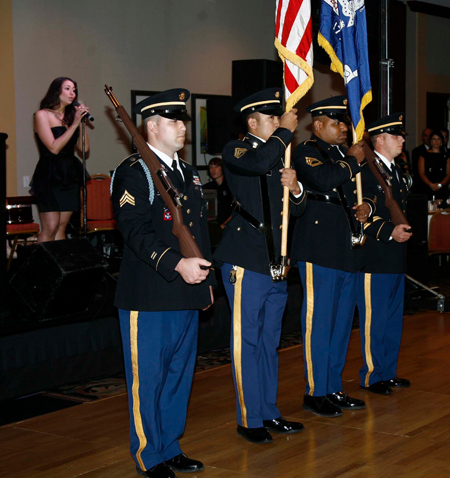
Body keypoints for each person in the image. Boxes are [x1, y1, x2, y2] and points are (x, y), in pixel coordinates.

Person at [111, 89, 214, 478]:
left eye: (183, 120)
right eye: (174, 121)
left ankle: (170, 446)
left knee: (177, 377)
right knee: (148, 380)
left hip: (186, 291)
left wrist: (204, 284)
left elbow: (198, 232)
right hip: (149, 294)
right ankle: (148, 455)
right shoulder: (133, 172)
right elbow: (135, 231)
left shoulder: (187, 173)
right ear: (152, 127)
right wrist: (176, 264)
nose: (183, 127)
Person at [214, 88, 307, 444]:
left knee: (270, 342)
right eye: (272, 118)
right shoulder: (237, 149)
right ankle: (249, 418)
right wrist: (284, 132)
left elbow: (296, 210)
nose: (279, 123)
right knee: (247, 342)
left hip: (276, 261)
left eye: (278, 118)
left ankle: (269, 410)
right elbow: (255, 164)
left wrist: (296, 188)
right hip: (246, 259)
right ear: (253, 122)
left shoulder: (280, 155)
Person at [291, 96, 372, 418]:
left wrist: (366, 208)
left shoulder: (342, 155)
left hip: (346, 246)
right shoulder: (307, 152)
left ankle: (333, 386)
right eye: (337, 122)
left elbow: (352, 194)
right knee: (319, 322)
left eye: (345, 123)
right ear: (318, 125)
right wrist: (352, 161)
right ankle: (315, 390)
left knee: (341, 324)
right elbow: (323, 180)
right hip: (319, 246)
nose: (343, 128)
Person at [358, 113, 412, 395]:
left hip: (395, 257)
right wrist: (389, 231)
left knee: (392, 318)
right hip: (376, 255)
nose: (402, 139)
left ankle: (388, 371)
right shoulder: (366, 171)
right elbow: (360, 215)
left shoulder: (398, 172)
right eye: (396, 135)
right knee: (374, 320)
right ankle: (371, 373)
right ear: (379, 139)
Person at [31, 77, 91, 243]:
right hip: (49, 173)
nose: (72, 93)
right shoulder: (42, 115)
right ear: (56, 91)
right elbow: (53, 147)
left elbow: (84, 149)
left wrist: (80, 123)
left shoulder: (72, 118)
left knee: (61, 227)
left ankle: (58, 268)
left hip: (69, 173)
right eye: (67, 89)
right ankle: (38, 267)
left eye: (74, 90)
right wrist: (73, 125)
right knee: (51, 226)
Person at [418, 130, 450, 201]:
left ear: (442, 141)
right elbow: (422, 173)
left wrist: (440, 185)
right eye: (434, 139)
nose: (436, 141)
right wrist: (431, 184)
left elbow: (448, 174)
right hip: (427, 187)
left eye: (438, 139)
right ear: (431, 141)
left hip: (442, 187)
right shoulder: (424, 155)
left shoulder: (446, 156)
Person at [202, 157, 233, 227]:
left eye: (216, 167)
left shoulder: (230, 186)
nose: (213, 170)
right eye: (211, 167)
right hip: (212, 225)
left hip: (230, 224)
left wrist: (225, 224)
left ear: (222, 168)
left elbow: (236, 209)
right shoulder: (206, 188)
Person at [411, 128, 432, 193]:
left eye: (430, 136)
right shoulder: (417, 151)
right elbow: (415, 170)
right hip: (421, 185)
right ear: (422, 137)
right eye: (426, 136)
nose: (428, 138)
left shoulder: (438, 150)